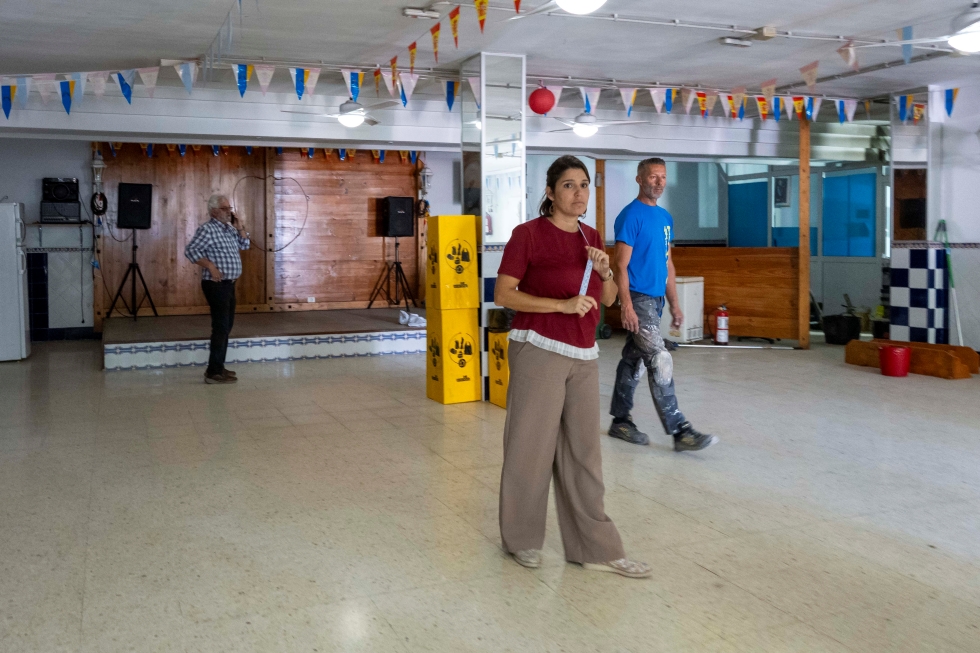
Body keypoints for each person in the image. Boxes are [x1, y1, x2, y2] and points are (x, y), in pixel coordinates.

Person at [494, 155, 651, 579]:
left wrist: (605, 273)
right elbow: (505, 295)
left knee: (585, 453)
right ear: (549, 192)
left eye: (584, 185)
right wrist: (559, 305)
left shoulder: (592, 236)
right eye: (568, 185)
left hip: (583, 353)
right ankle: (521, 539)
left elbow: (610, 299)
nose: (578, 192)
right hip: (538, 348)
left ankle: (594, 547)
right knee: (530, 448)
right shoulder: (527, 235)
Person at [608, 158, 717, 451]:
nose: (658, 182)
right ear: (639, 179)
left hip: (655, 301)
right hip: (638, 298)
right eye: (653, 176)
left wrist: (676, 305)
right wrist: (626, 305)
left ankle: (620, 421)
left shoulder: (666, 218)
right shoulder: (631, 216)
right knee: (660, 360)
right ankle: (681, 431)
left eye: (663, 177)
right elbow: (620, 265)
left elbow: (668, 263)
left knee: (633, 361)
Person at [184, 194, 250, 384]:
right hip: (215, 285)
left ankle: (218, 367)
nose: (229, 212)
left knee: (226, 326)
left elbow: (244, 245)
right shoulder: (207, 229)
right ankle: (213, 372)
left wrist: (240, 227)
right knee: (221, 327)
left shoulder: (229, 229)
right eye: (225, 208)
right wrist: (210, 266)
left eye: (229, 208)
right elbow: (190, 251)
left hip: (229, 284)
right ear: (213, 211)